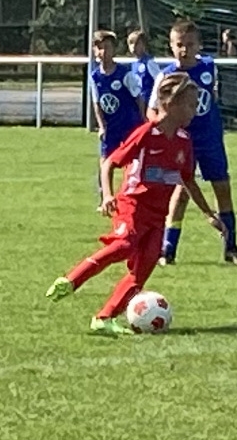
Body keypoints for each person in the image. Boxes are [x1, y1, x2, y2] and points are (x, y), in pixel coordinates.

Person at [45, 73, 224, 335]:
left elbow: (187, 180)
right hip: (133, 205)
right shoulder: (146, 134)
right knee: (124, 245)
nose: (194, 111)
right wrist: (108, 196)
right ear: (170, 104)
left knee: (143, 269)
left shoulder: (184, 141)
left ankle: (104, 318)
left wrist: (209, 214)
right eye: (190, 104)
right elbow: (110, 163)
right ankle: (71, 280)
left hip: (158, 216)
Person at [151, 19, 237, 266]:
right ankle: (168, 248)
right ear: (171, 46)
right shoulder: (166, 76)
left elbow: (211, 99)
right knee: (181, 192)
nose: (184, 50)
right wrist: (164, 131)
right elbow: (153, 110)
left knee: (222, 188)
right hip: (183, 143)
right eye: (179, 45)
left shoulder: (209, 67)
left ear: (198, 46)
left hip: (210, 138)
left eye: (190, 44)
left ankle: (231, 246)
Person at [89, 30, 144, 172]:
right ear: (94, 50)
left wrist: (143, 121)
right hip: (110, 127)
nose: (103, 52)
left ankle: (131, 184)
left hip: (129, 125)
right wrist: (101, 126)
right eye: (99, 48)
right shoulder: (94, 77)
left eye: (107, 47)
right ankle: (104, 186)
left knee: (133, 160)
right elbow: (97, 103)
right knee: (106, 160)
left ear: (114, 50)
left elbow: (138, 98)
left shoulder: (124, 73)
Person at [127, 29, 160, 104]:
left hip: (148, 102)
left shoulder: (149, 62)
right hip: (138, 102)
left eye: (137, 44)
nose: (133, 46)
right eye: (131, 43)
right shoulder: (133, 64)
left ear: (144, 45)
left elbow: (159, 80)